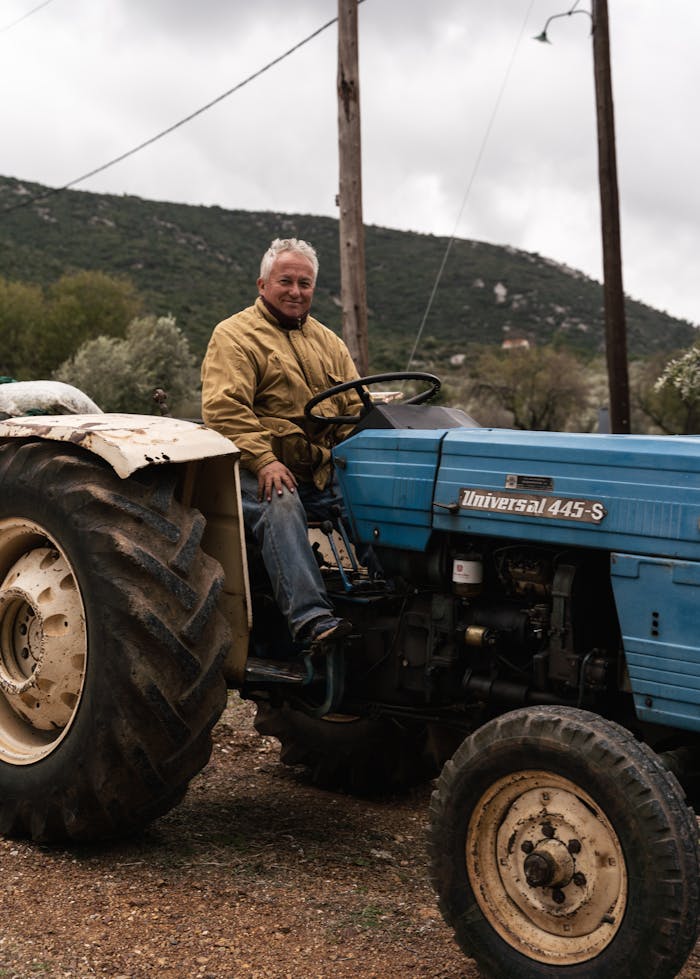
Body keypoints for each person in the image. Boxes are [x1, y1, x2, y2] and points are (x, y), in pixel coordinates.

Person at [201, 237, 363, 647]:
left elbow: (350, 410)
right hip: (252, 469)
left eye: (305, 283)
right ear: (262, 284)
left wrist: (362, 460)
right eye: (285, 281)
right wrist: (263, 458)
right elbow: (224, 408)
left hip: (320, 468)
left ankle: (396, 599)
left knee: (378, 498)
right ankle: (312, 621)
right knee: (282, 496)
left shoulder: (330, 343)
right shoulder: (235, 335)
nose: (295, 291)